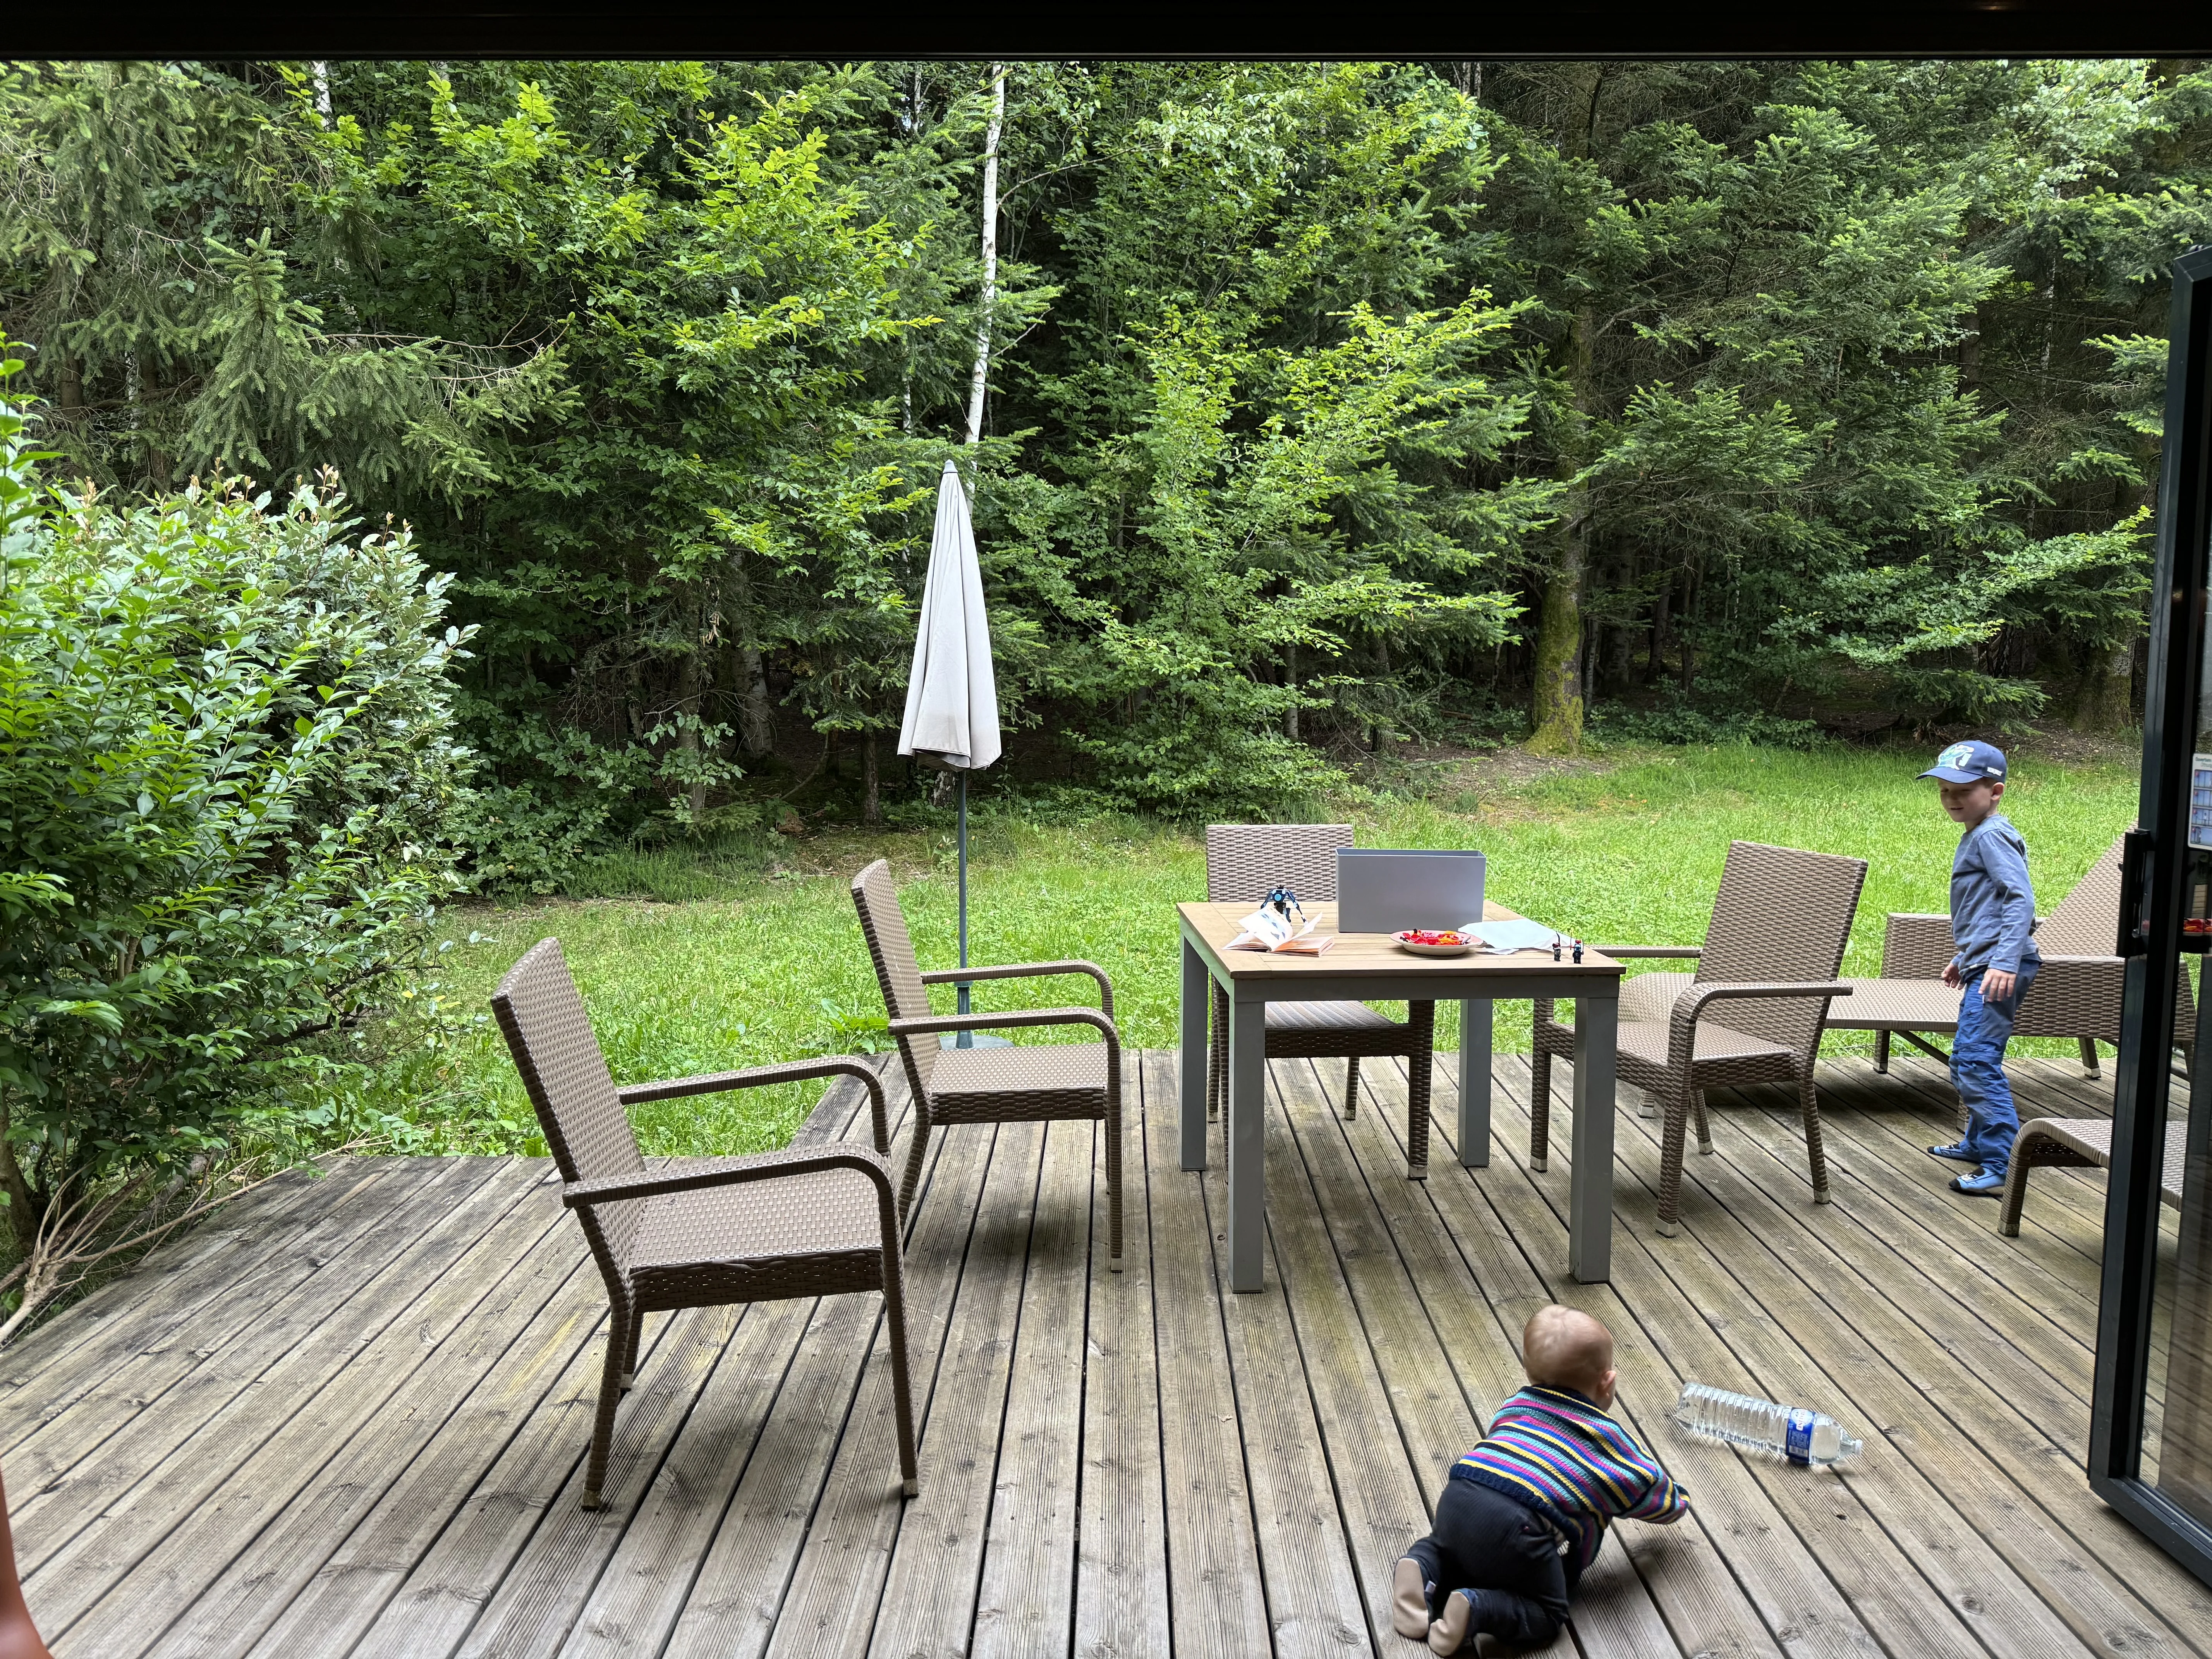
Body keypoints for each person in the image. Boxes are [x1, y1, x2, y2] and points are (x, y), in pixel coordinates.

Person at [1392, 1306, 1687, 1653]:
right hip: (1519, 1528)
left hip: (1459, 1496)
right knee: (1548, 1614)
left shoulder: (1516, 1405)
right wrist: (1677, 1503)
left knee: (1447, 1548)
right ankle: (1476, 1608)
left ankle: (1422, 1565)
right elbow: (1646, 1487)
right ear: (1608, 1383)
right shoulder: (1606, 1438)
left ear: (1529, 1372)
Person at [1919, 740, 2040, 1198]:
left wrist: (2002, 960)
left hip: (2001, 966)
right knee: (1970, 1057)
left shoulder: (1990, 836)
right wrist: (1965, 958)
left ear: (1996, 791)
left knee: (1974, 1061)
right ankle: (1977, 1142)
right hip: (1984, 962)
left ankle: (2002, 1160)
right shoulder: (1980, 833)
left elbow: (2020, 899)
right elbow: (1988, 910)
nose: (1952, 799)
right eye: (1945, 790)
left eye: (1964, 791)